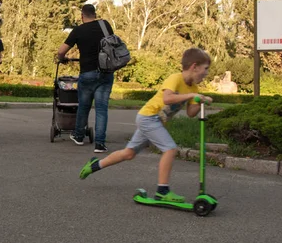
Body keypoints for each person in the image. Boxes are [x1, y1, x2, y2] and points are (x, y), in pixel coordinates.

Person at [78, 47, 213, 203]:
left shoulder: (194, 88)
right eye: (205, 69)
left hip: (156, 121)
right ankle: (162, 191)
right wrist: (192, 95)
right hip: (149, 117)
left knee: (129, 153)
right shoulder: (175, 78)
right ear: (194, 66)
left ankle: (95, 165)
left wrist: (200, 101)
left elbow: (190, 113)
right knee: (170, 149)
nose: (206, 73)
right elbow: (168, 99)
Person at [57, 4, 115, 153]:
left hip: (87, 73)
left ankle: (79, 136)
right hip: (106, 72)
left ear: (82, 16)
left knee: (84, 106)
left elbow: (61, 51)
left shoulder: (78, 30)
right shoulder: (105, 25)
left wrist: (62, 59)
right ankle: (100, 144)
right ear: (95, 14)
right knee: (102, 109)